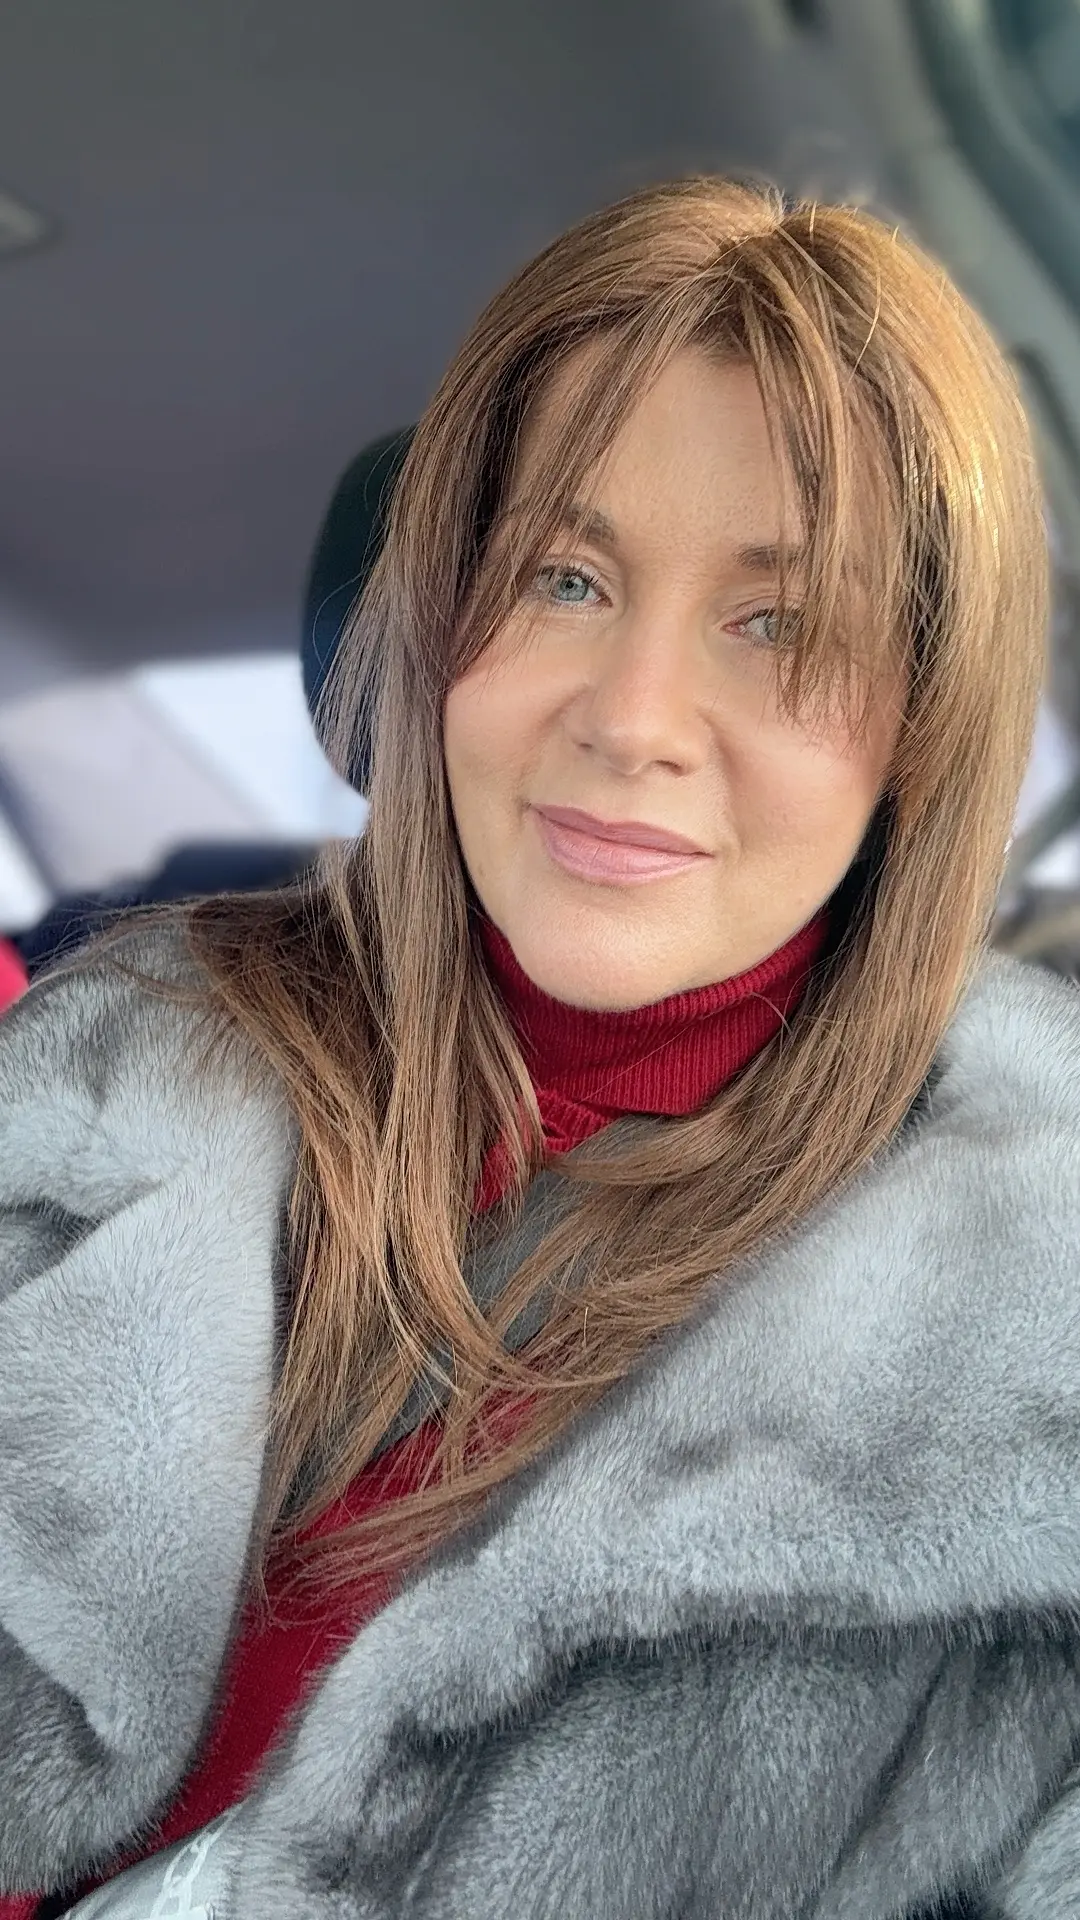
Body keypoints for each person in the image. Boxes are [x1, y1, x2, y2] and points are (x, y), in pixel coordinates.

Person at [0, 174, 1075, 1920]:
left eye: (779, 622)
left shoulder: (1036, 1362)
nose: (633, 718)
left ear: (924, 723)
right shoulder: (94, 1096)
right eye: (563, 579)